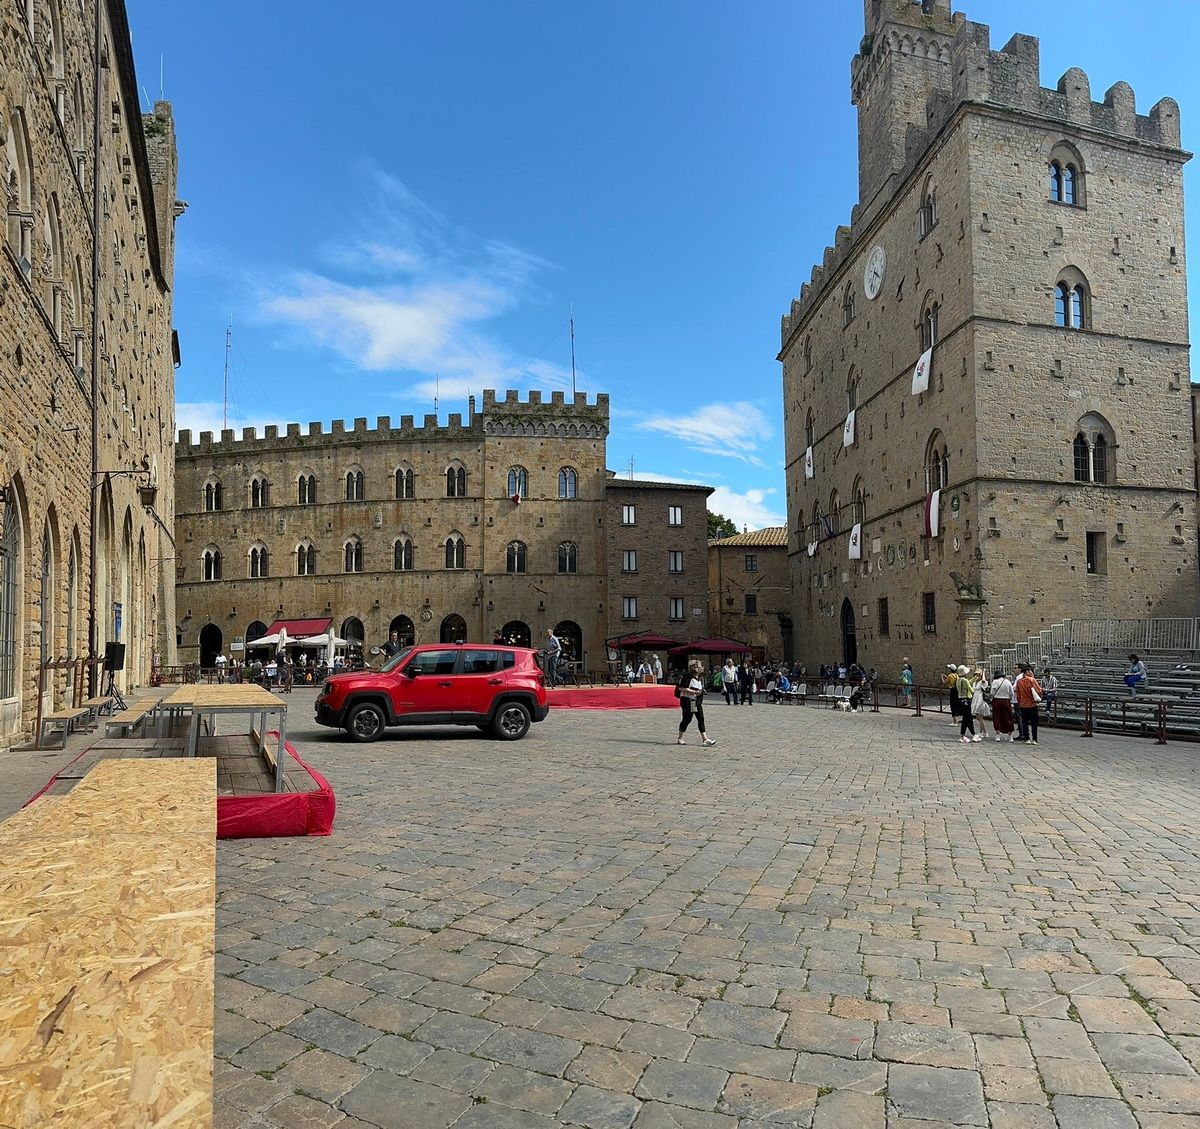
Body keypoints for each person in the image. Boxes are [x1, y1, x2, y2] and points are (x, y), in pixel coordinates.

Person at [675, 659, 717, 747]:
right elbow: (682, 688)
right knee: (687, 719)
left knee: (701, 718)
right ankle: (680, 737)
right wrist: (694, 692)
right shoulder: (687, 677)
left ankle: (705, 739)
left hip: (697, 702)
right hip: (689, 701)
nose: (701, 668)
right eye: (699, 666)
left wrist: (701, 691)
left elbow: (696, 688)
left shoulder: (699, 678)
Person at [1014, 663, 1043, 744]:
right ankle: (1034, 739)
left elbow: (1018, 694)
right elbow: (1038, 690)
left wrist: (1020, 702)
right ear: (1027, 671)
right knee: (1034, 723)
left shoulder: (1019, 682)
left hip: (1023, 704)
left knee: (1024, 722)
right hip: (1032, 704)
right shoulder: (1031, 680)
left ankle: (1027, 738)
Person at [990, 668, 1015, 741]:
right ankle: (1010, 735)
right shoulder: (1007, 682)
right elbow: (1011, 693)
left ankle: (998, 734)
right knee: (1008, 717)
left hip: (997, 700)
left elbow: (992, 692)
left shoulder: (995, 682)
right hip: (1006, 700)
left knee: (997, 717)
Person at [956, 665, 978, 742]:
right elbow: (970, 688)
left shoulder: (958, 680)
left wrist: (976, 677)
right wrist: (976, 691)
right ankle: (972, 735)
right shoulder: (964, 680)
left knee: (967, 718)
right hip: (966, 700)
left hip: (961, 700)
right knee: (968, 719)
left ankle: (967, 735)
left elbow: (969, 682)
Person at [970, 668, 991, 739]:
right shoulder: (974, 682)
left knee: (980, 717)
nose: (977, 675)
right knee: (978, 717)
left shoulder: (982, 682)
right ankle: (984, 732)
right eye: (975, 674)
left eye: (978, 674)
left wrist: (983, 673)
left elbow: (984, 680)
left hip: (980, 699)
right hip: (975, 698)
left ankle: (983, 732)